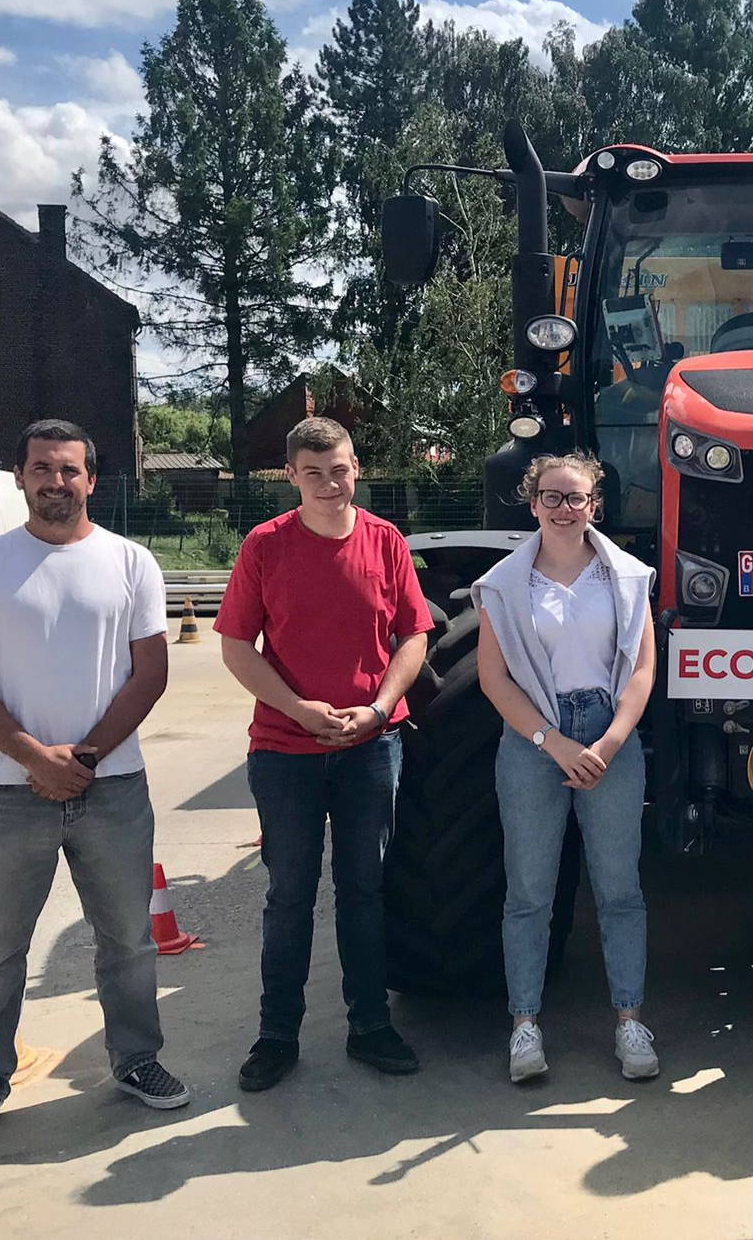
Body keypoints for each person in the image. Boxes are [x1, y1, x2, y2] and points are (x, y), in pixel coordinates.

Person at [0, 419, 183, 1145]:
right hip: (7, 793)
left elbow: (151, 671)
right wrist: (35, 758)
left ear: (92, 480)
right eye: (42, 467)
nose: (56, 481)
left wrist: (87, 757)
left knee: (129, 939)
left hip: (114, 787)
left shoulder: (131, 562)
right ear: (19, 476)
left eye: (70, 469)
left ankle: (137, 1061)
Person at [216, 417, 434, 1091]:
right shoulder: (265, 547)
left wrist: (375, 708)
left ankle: (370, 1024)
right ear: (291, 476)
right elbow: (235, 647)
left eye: (338, 469)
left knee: (364, 890)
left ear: (356, 467)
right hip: (286, 752)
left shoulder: (386, 542)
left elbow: (413, 636)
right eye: (313, 472)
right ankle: (277, 1035)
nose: (329, 483)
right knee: (289, 895)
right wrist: (300, 710)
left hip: (373, 746)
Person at [475, 450, 658, 1083]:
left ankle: (630, 1021)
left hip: (610, 739)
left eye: (575, 498)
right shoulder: (502, 586)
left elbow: (641, 672)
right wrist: (552, 742)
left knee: (620, 889)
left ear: (594, 505)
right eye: (551, 497)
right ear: (532, 505)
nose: (563, 509)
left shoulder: (628, 579)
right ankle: (525, 1027)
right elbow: (494, 680)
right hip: (534, 742)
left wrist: (607, 745)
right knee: (528, 893)